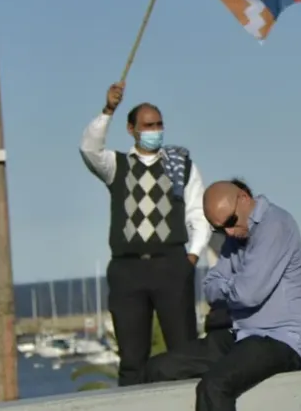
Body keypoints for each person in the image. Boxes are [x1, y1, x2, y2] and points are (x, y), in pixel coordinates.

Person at [79, 82, 210, 385]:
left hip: (171, 264)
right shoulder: (116, 166)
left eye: (159, 124)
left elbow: (198, 213)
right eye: (148, 125)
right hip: (127, 269)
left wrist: (191, 256)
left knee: (185, 353)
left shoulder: (180, 165)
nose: (155, 130)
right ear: (132, 129)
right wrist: (108, 110)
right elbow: (89, 148)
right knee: (131, 359)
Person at [197, 179, 301, 410]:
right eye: (219, 229)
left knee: (215, 385)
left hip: (284, 339)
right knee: (159, 369)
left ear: (244, 198)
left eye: (230, 222)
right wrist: (236, 285)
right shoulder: (234, 237)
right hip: (242, 335)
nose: (228, 232)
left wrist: (230, 286)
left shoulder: (275, 224)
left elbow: (249, 295)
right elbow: (210, 288)